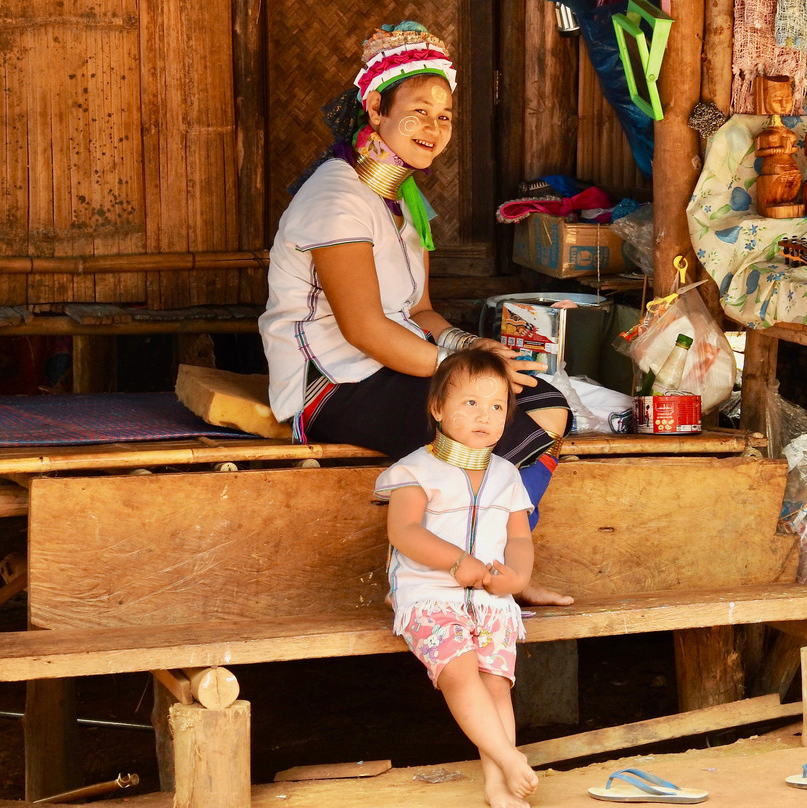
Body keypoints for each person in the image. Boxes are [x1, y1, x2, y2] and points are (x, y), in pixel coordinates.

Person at [258, 22, 573, 605]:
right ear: (375, 107)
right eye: (419, 110)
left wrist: (470, 351)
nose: (434, 127)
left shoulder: (405, 201)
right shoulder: (335, 198)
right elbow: (365, 329)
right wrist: (464, 373)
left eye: (446, 115)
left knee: (545, 406)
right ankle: (465, 575)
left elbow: (420, 310)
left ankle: (493, 569)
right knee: (496, 425)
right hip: (331, 383)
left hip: (390, 366)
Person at [374, 348, 539, 808]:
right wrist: (454, 562)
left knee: (495, 682)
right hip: (428, 596)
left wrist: (517, 578)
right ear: (437, 408)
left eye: (497, 406)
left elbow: (519, 539)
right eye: (470, 403)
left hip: (489, 600)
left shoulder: (507, 475)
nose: (484, 415)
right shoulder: (415, 470)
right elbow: (403, 531)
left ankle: (498, 784)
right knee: (461, 672)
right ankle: (509, 759)